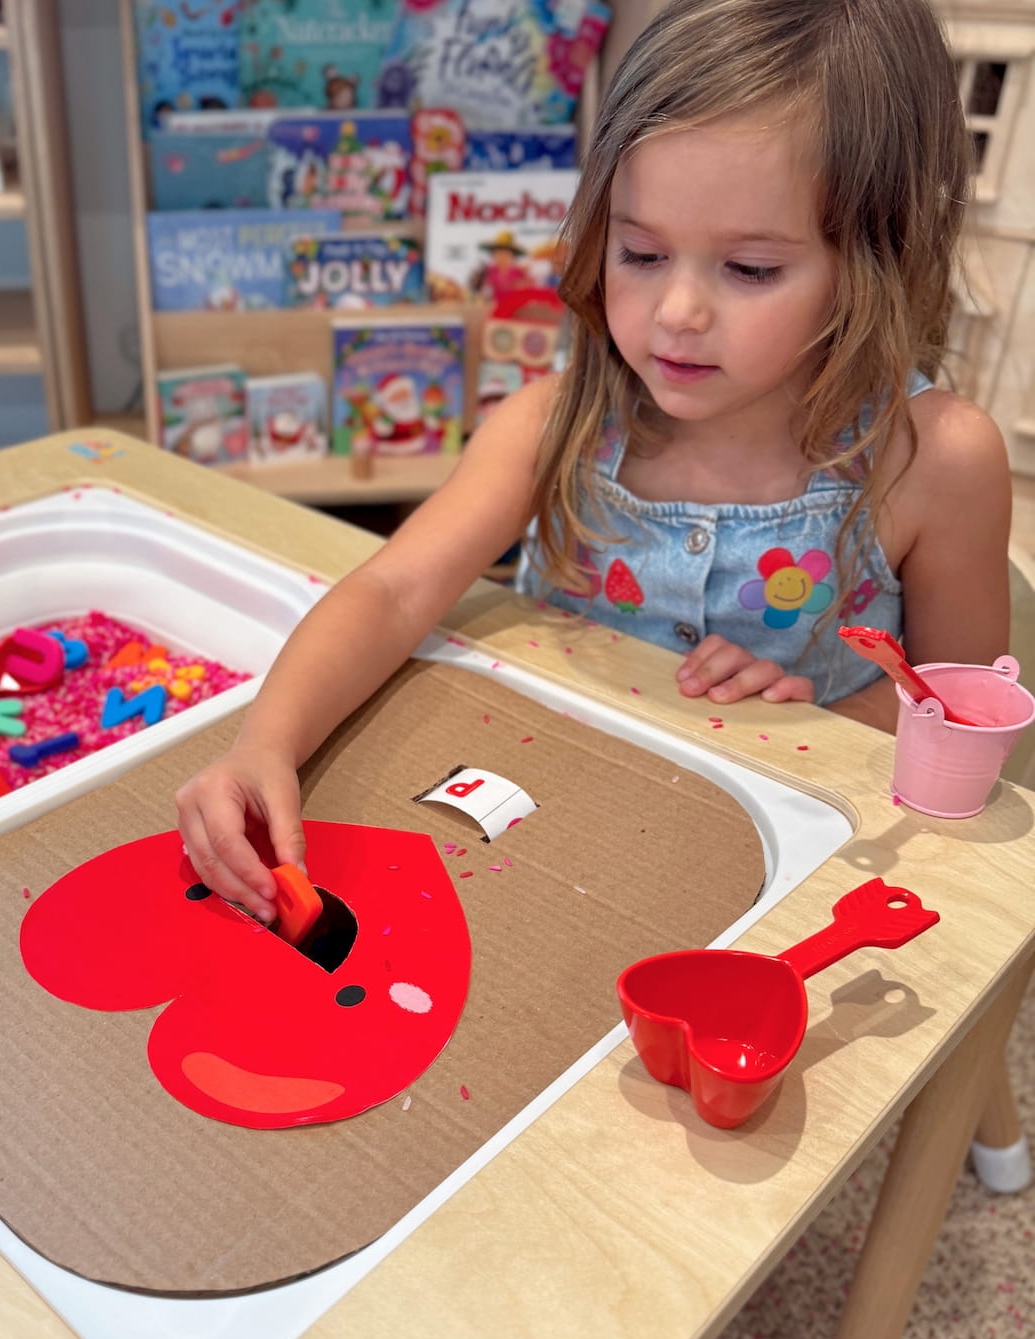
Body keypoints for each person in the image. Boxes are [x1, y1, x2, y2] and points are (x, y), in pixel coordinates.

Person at [177, 0, 1012, 924]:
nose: (677, 312)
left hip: (770, 871)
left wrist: (815, 725)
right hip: (540, 836)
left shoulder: (933, 459)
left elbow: (958, 725)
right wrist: (265, 742)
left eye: (751, 270)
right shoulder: (552, 422)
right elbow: (392, 593)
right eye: (641, 252)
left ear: (875, 257)